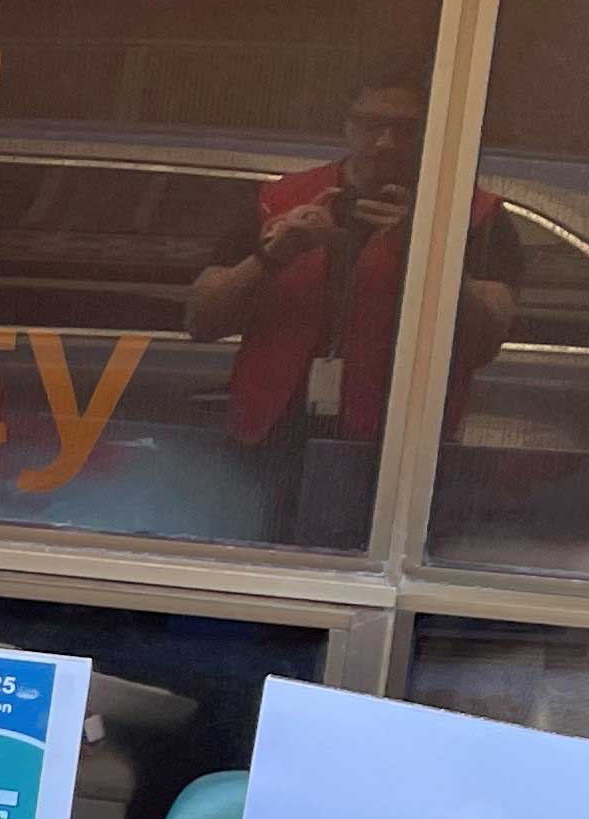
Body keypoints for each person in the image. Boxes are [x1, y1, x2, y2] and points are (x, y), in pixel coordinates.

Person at [185, 63, 516, 540]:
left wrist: (422, 253)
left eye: (405, 129)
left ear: (432, 132)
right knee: (256, 588)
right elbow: (201, 319)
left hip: (397, 455)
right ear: (347, 125)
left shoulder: (474, 215)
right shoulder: (280, 201)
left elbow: (484, 340)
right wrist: (273, 254)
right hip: (271, 439)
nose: (385, 142)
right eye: (370, 124)